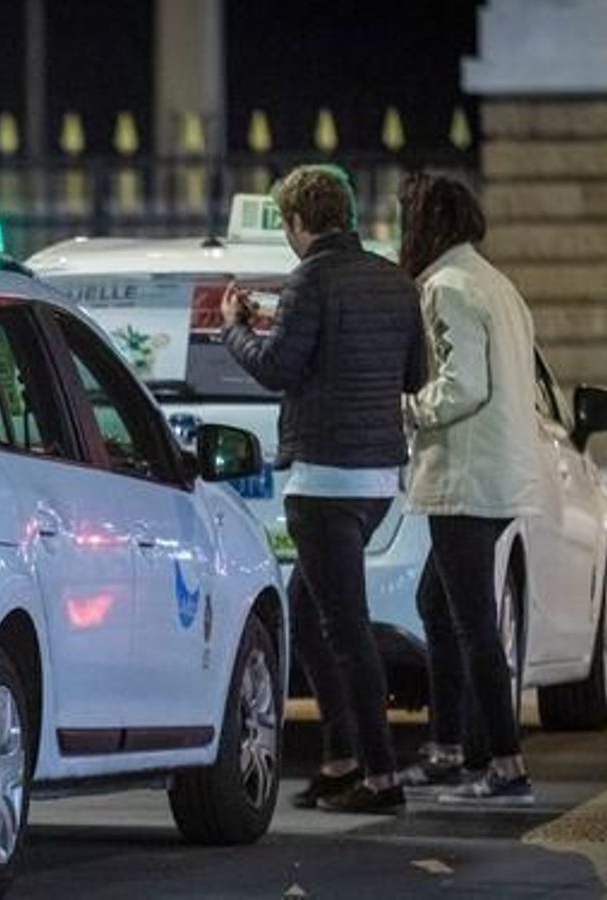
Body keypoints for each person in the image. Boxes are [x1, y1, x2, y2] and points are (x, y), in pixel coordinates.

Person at [223, 167, 428, 814]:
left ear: (297, 222)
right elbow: (416, 372)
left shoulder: (310, 277)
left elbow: (277, 368)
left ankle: (380, 777)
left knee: (343, 628)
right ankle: (341, 762)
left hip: (324, 481)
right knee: (306, 615)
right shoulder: (394, 279)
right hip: (377, 483)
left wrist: (235, 328)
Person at [396, 172, 541, 806]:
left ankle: (504, 764)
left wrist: (406, 407)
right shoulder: (495, 283)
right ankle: (448, 747)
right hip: (496, 474)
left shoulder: (448, 287)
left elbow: (463, 385)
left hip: (464, 476)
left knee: (473, 622)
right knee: (437, 603)